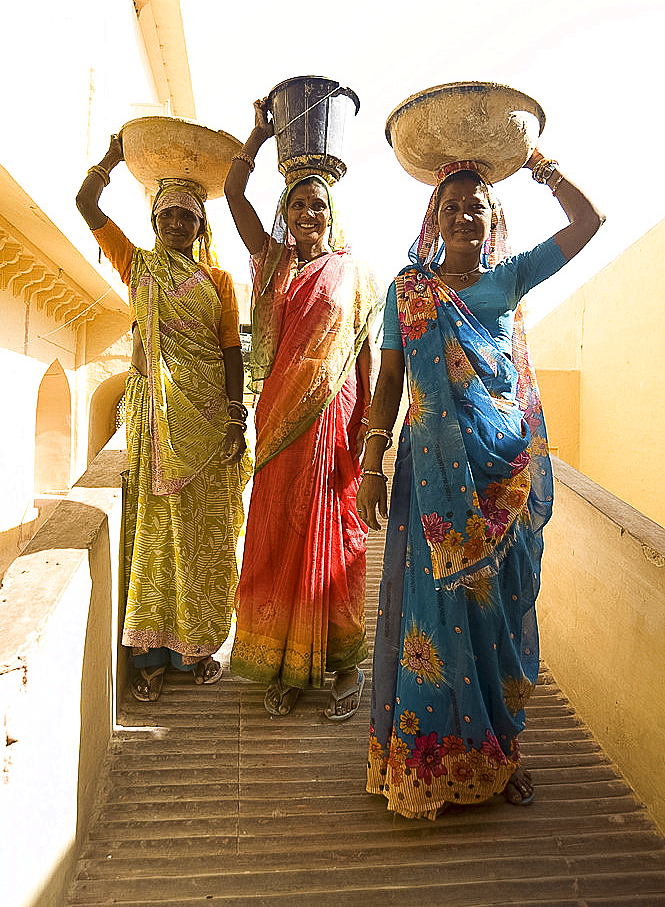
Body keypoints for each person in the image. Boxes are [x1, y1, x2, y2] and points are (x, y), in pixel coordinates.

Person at [357, 150, 604, 818]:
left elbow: (590, 220)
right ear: (431, 219)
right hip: (431, 483)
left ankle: (501, 755)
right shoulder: (406, 291)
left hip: (502, 481)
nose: (463, 214)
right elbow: (388, 382)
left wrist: (543, 168)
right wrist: (371, 456)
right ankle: (429, 767)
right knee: (433, 622)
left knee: (496, 622)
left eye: (475, 205)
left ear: (493, 218)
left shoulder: (511, 276)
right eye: (450, 205)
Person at [76, 135, 252, 702]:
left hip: (206, 426)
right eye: (167, 214)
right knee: (158, 536)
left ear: (200, 226)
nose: (176, 222)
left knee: (207, 539)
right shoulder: (138, 265)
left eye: (186, 216)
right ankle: (150, 655)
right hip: (156, 429)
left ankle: (196, 650)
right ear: (154, 221)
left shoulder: (218, 282)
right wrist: (109, 159)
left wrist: (233, 419)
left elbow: (230, 351)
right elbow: (86, 205)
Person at [225, 99, 377, 719]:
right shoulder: (273, 263)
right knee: (275, 539)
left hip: (336, 432)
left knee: (335, 544)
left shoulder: (356, 275)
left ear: (331, 213)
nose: (308, 214)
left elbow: (371, 361)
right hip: (281, 428)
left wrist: (371, 445)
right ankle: (285, 663)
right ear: (284, 213)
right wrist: (259, 134)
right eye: (297, 204)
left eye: (318, 205)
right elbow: (235, 193)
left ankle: (342, 669)